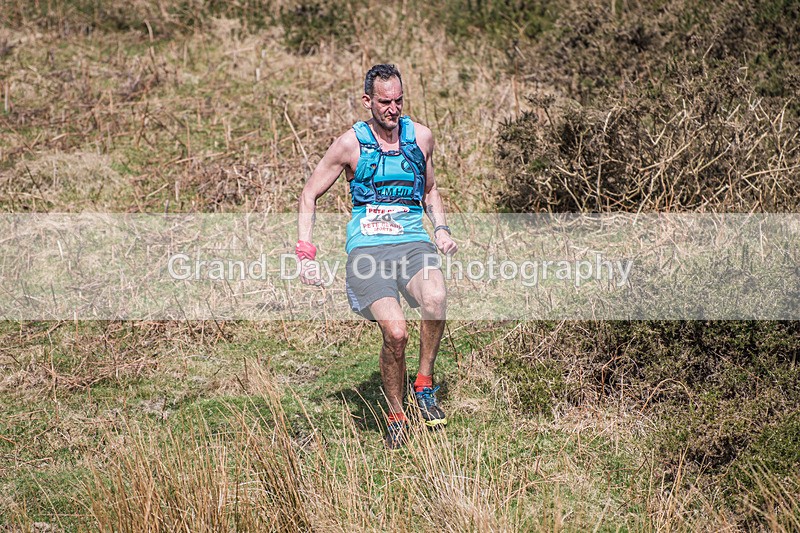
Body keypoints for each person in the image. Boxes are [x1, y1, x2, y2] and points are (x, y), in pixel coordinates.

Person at [296, 64, 458, 448]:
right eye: (385, 102)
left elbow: (430, 190)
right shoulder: (349, 144)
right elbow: (309, 194)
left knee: (436, 298)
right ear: (368, 100)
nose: (393, 109)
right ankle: (396, 414)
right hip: (368, 251)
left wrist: (441, 228)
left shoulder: (421, 137)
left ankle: (423, 384)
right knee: (397, 334)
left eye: (399, 100)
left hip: (413, 243)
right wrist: (305, 254)